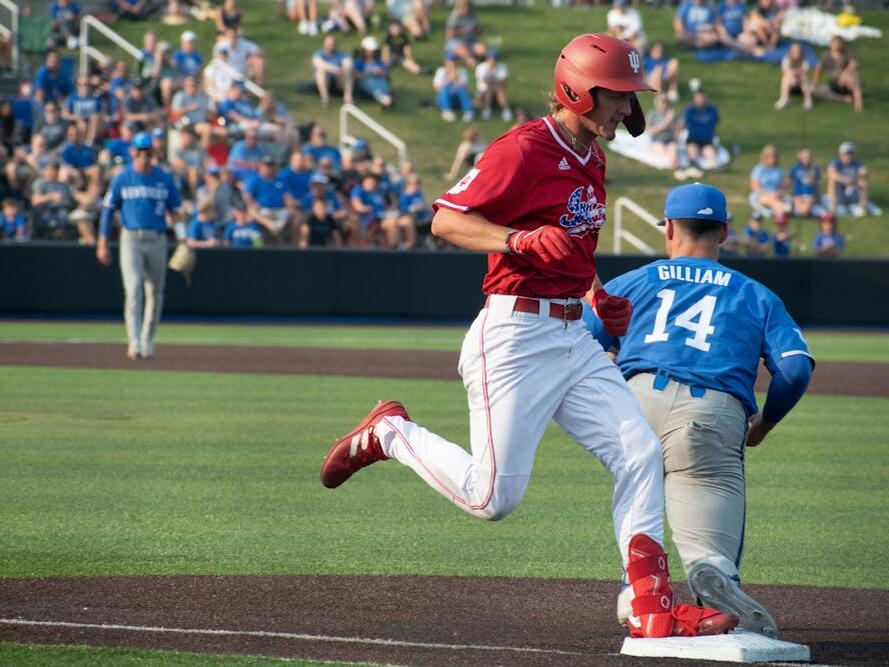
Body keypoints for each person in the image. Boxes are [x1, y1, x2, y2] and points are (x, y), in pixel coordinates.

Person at [319, 33, 736, 641]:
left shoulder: (593, 153)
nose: (627, 108)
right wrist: (515, 240)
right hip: (514, 335)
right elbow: (445, 220)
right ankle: (390, 433)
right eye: (618, 95)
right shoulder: (524, 148)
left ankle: (649, 603)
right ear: (578, 91)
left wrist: (596, 294)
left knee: (641, 453)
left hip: (572, 336)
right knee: (493, 499)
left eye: (628, 96)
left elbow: (570, 242)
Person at [583, 182, 813, 639]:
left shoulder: (633, 282)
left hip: (636, 401)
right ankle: (712, 573)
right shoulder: (756, 295)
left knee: (637, 485)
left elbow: (583, 342)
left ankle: (636, 588)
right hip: (710, 412)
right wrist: (765, 422)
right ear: (724, 232)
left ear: (668, 228)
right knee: (709, 541)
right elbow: (795, 368)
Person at [96, 132, 183, 360]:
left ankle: (147, 339)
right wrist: (103, 242)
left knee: (155, 291)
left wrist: (183, 239)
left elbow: (176, 210)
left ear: (152, 154)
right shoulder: (122, 177)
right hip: (131, 237)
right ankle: (133, 341)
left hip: (157, 237)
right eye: (140, 151)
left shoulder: (163, 178)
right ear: (133, 152)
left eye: (147, 152)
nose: (144, 156)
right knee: (133, 289)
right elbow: (107, 210)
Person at [812, 36, 863, 113]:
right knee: (815, 90)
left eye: (839, 44)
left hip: (848, 80)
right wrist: (816, 81)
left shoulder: (847, 52)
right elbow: (819, 68)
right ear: (831, 44)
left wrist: (844, 74)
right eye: (834, 43)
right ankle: (843, 99)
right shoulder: (826, 55)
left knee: (853, 78)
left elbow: (854, 64)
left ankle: (858, 105)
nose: (837, 45)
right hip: (835, 82)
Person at [827, 141, 874, 217]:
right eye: (844, 154)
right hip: (840, 190)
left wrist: (856, 178)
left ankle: (862, 206)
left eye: (849, 154)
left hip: (853, 188)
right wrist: (844, 179)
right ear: (840, 154)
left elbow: (864, 172)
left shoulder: (857, 163)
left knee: (863, 182)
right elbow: (831, 173)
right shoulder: (836, 162)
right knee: (832, 181)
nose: (847, 156)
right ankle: (833, 207)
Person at [679, 90, 719, 170]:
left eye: (702, 98)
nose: (700, 100)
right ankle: (693, 167)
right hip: (693, 139)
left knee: (710, 154)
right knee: (692, 151)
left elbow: (714, 125)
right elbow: (682, 124)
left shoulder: (712, 110)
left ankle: (714, 171)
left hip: (707, 140)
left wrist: (715, 138)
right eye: (698, 98)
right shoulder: (690, 111)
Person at [749, 144, 789, 222]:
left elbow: (783, 187)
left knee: (777, 199)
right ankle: (784, 208)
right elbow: (755, 187)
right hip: (761, 195)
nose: (771, 158)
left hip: (776, 195)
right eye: (768, 156)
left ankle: (780, 213)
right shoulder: (759, 169)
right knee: (767, 199)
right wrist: (768, 194)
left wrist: (777, 193)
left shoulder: (779, 170)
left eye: (773, 156)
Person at [312, 36, 355, 107]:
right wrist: (334, 69)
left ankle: (348, 97)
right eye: (329, 45)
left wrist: (343, 69)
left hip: (338, 82)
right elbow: (318, 63)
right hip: (325, 82)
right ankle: (325, 98)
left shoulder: (342, 55)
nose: (331, 47)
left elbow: (348, 63)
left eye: (333, 45)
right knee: (320, 72)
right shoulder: (319, 54)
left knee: (348, 71)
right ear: (324, 45)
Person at [353, 37, 393, 109]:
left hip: (380, 81)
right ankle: (384, 99)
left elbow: (387, 76)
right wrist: (370, 73)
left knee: (382, 84)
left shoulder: (379, 62)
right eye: (369, 51)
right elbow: (355, 76)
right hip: (365, 83)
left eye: (373, 51)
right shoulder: (359, 62)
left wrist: (381, 72)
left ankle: (386, 99)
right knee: (373, 85)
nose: (371, 53)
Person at [444, 0, 486, 68]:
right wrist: (464, 31)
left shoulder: (473, 16)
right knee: (463, 49)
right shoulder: (455, 16)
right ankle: (472, 62)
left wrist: (477, 31)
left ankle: (483, 61)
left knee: (482, 49)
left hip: (471, 42)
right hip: (456, 42)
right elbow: (449, 34)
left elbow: (479, 31)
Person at [434, 53, 474, 123]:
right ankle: (447, 111)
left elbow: (466, 89)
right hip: (443, 99)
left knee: (461, 88)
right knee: (446, 88)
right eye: (450, 61)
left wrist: (456, 79)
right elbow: (437, 89)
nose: (452, 63)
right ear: (446, 62)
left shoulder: (462, 71)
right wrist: (448, 79)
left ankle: (468, 112)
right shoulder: (441, 71)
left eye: (454, 61)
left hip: (458, 100)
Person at [475, 51, 512, 122]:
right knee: (492, 88)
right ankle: (504, 110)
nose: (493, 61)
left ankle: (503, 111)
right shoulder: (481, 67)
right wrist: (496, 80)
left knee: (498, 89)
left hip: (497, 92)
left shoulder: (502, 67)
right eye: (491, 59)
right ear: (487, 59)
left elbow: (504, 82)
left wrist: (494, 81)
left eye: (495, 59)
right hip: (483, 93)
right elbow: (485, 81)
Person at [646, 93, 679, 170]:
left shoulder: (671, 113)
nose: (664, 103)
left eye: (666, 101)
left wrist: (672, 121)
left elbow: (675, 131)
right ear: (656, 102)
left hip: (670, 139)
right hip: (657, 139)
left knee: (673, 150)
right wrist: (666, 121)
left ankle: (672, 165)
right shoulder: (652, 114)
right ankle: (672, 166)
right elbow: (648, 130)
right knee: (663, 153)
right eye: (662, 101)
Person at [775, 42, 812, 111]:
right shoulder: (786, 59)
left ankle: (808, 100)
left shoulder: (804, 61)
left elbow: (805, 71)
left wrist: (798, 73)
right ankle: (784, 99)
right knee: (785, 79)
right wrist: (794, 74)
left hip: (801, 85)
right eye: (794, 51)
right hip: (791, 84)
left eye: (797, 51)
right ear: (790, 52)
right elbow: (785, 71)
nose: (795, 53)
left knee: (804, 79)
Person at [788, 147, 821, 219]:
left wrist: (818, 195)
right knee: (797, 202)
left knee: (807, 203)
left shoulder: (815, 169)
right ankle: (802, 212)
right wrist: (792, 195)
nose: (807, 159)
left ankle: (802, 212)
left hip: (810, 194)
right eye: (805, 157)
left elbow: (817, 184)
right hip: (798, 194)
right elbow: (791, 182)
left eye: (809, 157)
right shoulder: (794, 168)